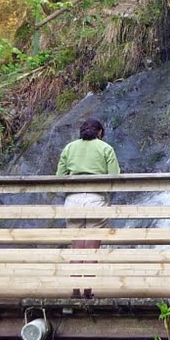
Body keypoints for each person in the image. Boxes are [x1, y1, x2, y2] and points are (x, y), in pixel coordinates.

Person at [56, 118, 120, 295]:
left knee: (77, 249)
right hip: (96, 199)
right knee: (91, 249)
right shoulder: (105, 148)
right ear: (100, 132)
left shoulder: (69, 148)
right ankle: (87, 292)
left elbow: (59, 176)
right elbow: (114, 176)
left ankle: (75, 291)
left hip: (73, 200)